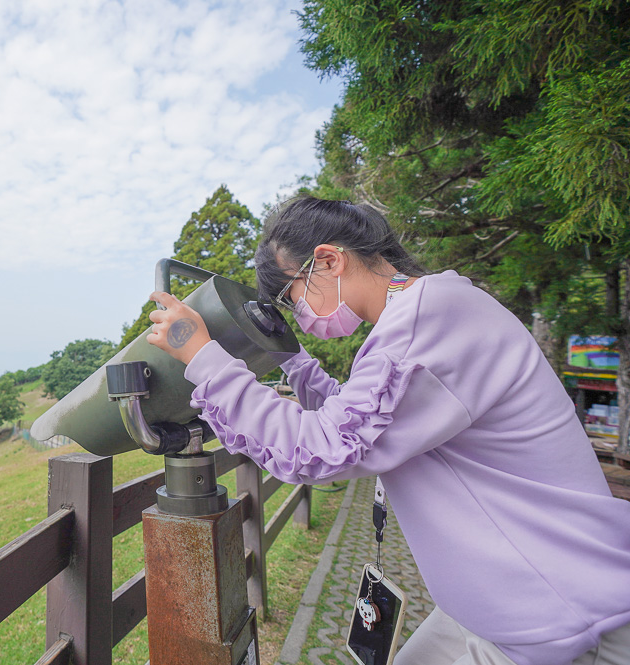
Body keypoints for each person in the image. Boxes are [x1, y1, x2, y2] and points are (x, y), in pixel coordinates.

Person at [145, 196, 630, 665]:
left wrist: (203, 358)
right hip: (502, 601)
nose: (302, 318)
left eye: (293, 300)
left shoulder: (424, 320)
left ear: (330, 260)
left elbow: (325, 447)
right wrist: (289, 358)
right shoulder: (428, 310)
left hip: (558, 614)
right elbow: (362, 421)